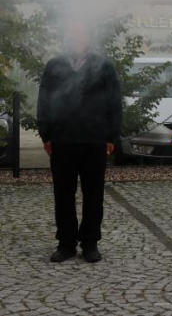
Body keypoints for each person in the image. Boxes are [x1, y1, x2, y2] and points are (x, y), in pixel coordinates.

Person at [37, 20, 122, 263]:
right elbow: (44, 100)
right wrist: (46, 135)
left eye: (80, 34)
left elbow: (115, 103)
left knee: (93, 194)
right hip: (62, 140)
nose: (75, 38)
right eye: (71, 34)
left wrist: (111, 137)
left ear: (88, 37)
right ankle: (66, 243)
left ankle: (90, 243)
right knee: (63, 195)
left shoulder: (103, 67)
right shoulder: (54, 66)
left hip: (94, 140)